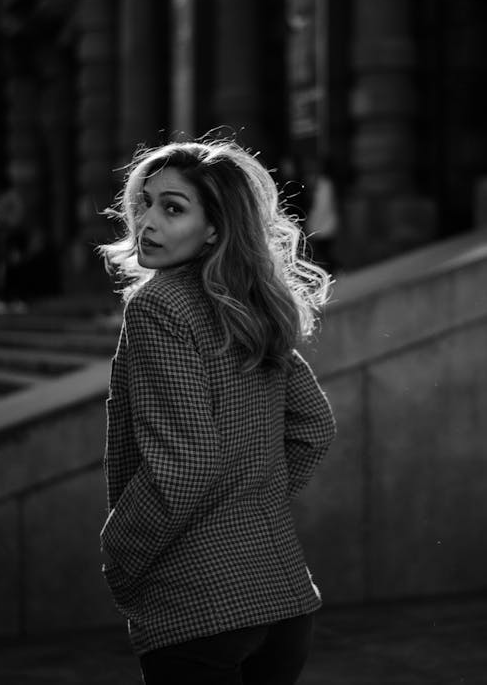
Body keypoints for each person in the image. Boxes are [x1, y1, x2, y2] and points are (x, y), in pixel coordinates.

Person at [98, 139, 336, 685]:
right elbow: (313, 429)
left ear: (214, 228)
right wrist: (247, 504)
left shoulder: (159, 305)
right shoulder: (250, 303)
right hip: (285, 606)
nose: (147, 222)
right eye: (147, 203)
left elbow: (184, 464)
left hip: (198, 605)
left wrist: (121, 554)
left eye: (173, 208)